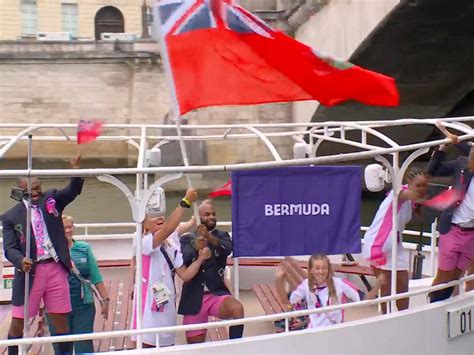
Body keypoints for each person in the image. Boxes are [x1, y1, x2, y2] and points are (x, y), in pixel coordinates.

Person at [1, 155, 83, 355]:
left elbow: (72, 191)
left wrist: (76, 170)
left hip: (55, 268)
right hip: (30, 273)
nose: (36, 192)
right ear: (22, 190)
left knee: (60, 321)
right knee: (18, 322)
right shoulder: (11, 216)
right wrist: (20, 261)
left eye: (38, 188)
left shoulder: (52, 199)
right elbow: (9, 248)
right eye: (31, 189)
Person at [131, 188, 209, 348]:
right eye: (153, 218)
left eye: (161, 217)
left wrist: (200, 259)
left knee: (167, 348)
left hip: (167, 307)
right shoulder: (144, 242)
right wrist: (185, 202)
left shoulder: (172, 243)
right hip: (147, 313)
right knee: (146, 348)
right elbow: (168, 230)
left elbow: (185, 275)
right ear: (144, 224)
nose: (160, 218)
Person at [362, 168, 428, 313]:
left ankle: (403, 317)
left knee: (403, 285)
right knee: (385, 285)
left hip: (395, 244)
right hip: (379, 242)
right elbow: (409, 195)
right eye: (418, 185)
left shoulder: (412, 200)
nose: (422, 189)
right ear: (409, 183)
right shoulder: (399, 193)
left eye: (424, 186)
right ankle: (383, 316)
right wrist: (437, 200)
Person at [178, 201, 244, 344]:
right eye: (207, 214)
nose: (212, 217)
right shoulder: (186, 239)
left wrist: (208, 237)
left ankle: (236, 348)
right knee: (195, 347)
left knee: (237, 309)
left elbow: (227, 249)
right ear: (198, 217)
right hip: (194, 297)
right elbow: (184, 258)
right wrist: (196, 248)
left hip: (217, 294)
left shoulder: (223, 235)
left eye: (213, 214)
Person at [47, 215, 110, 354]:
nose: (68, 230)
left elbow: (95, 275)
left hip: (83, 304)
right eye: (64, 228)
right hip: (57, 306)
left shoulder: (84, 248)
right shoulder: (49, 252)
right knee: (61, 346)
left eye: (70, 226)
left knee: (84, 345)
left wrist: (106, 300)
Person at [427, 124, 474, 302]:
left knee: (456, 276)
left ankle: (441, 306)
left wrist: (456, 140)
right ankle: (432, 307)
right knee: (444, 276)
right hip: (453, 229)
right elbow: (432, 171)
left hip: (471, 233)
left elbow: (466, 146)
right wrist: (441, 149)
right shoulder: (462, 165)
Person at [275, 254, 360, 328]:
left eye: (324, 268)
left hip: (335, 332)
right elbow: (287, 302)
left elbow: (362, 299)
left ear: (329, 269)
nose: (321, 271)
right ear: (311, 270)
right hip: (314, 332)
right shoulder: (306, 285)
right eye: (317, 268)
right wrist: (278, 280)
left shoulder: (340, 283)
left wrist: (373, 290)